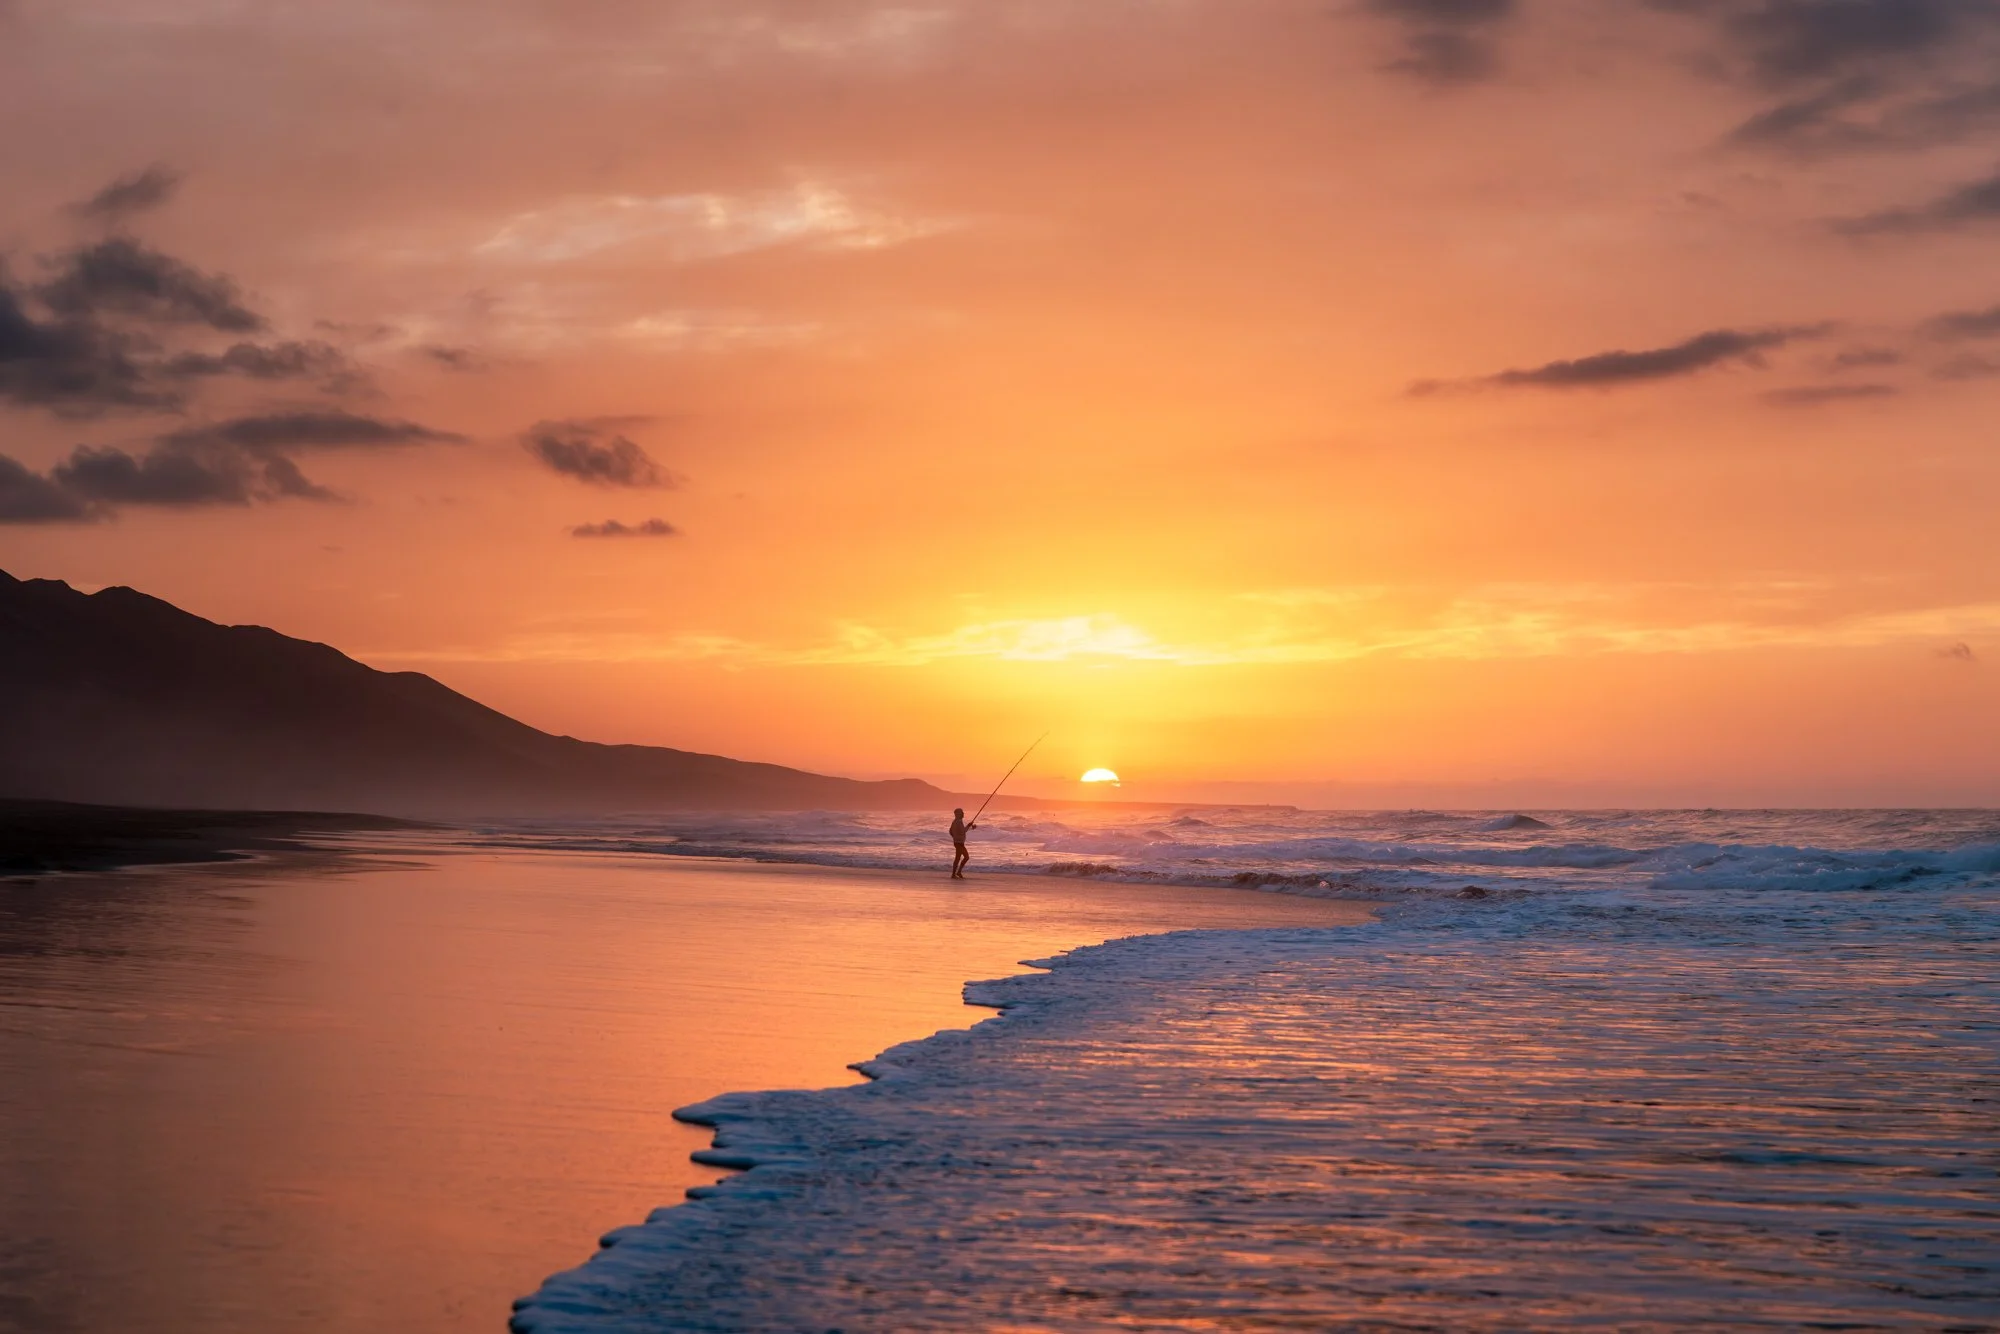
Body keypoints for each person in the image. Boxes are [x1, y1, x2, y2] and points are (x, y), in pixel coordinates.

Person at [949, 807, 977, 879]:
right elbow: (963, 831)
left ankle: (955, 873)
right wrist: (969, 825)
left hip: (957, 842)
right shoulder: (958, 822)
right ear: (958, 814)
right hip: (959, 843)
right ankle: (957, 873)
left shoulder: (955, 821)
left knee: (958, 858)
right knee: (965, 857)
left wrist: (955, 837)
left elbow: (950, 831)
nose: (963, 813)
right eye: (962, 813)